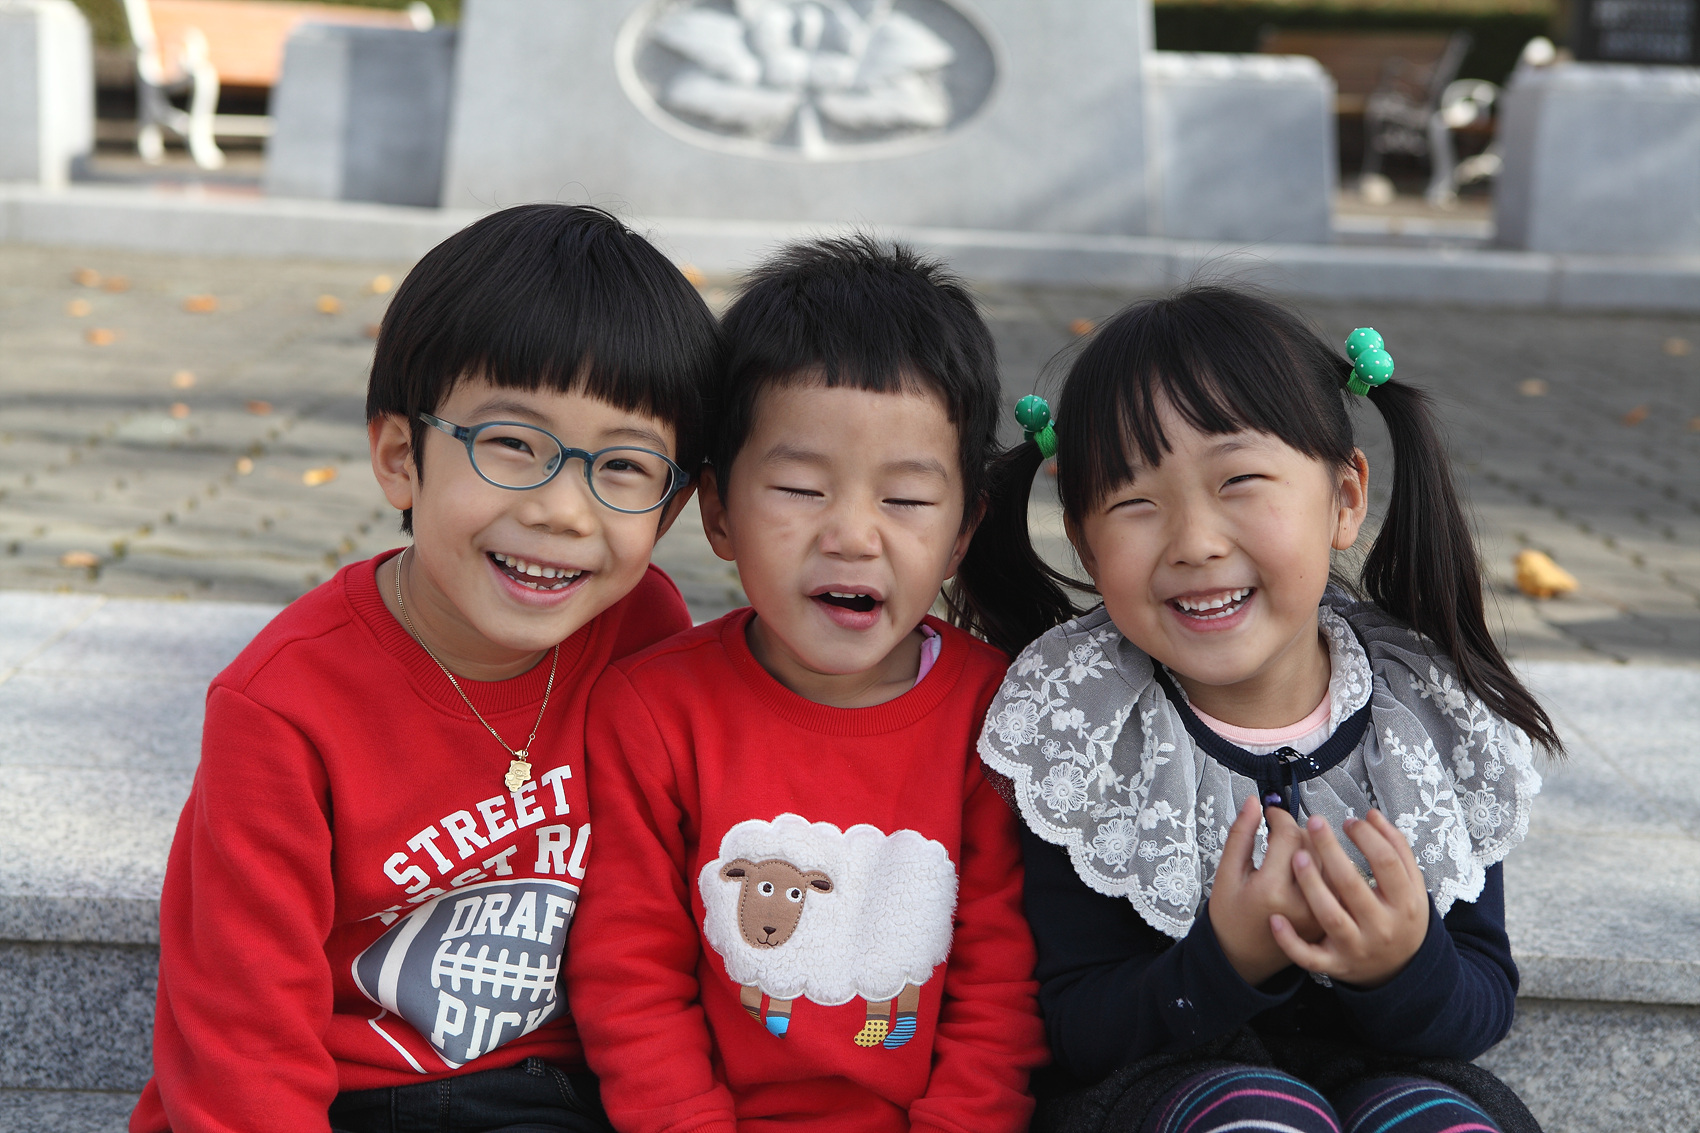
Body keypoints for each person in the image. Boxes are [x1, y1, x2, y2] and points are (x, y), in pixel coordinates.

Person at [131, 204, 723, 1133]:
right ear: (401, 457)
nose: (564, 511)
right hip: (348, 1095)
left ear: (671, 508)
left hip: (562, 1089)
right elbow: (243, 1039)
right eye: (513, 444)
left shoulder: (642, 630)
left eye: (622, 466)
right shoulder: (283, 705)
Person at [960, 285, 1557, 1133]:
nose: (1195, 542)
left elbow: (1484, 999)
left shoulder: (1424, 713)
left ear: (1345, 499)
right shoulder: (1082, 725)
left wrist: (1404, 963)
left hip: (1391, 1074)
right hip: (1162, 1088)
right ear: (1086, 543)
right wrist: (1224, 960)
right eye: (1136, 502)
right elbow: (1072, 1025)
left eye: (1238, 481)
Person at [565, 237, 1048, 1133]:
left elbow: (1001, 984)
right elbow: (629, 974)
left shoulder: (999, 713)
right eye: (798, 487)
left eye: (905, 500)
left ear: (961, 532)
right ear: (718, 511)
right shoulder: (652, 711)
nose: (853, 535)